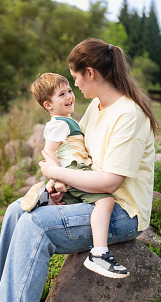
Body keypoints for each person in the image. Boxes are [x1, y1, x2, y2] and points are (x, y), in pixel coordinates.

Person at [0, 38, 157, 302]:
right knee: (18, 210)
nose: (75, 85)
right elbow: (78, 153)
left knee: (36, 225)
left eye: (75, 78)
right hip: (89, 196)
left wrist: (55, 171)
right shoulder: (97, 107)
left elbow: (110, 182)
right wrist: (61, 184)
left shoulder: (128, 115)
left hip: (120, 211)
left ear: (91, 73)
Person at [21, 72, 128, 278]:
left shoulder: (65, 121)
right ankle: (99, 252)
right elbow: (49, 153)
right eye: (61, 94)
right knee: (105, 201)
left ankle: (45, 199)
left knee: (70, 204)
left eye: (69, 90)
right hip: (74, 170)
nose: (69, 96)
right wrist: (58, 177)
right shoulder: (60, 124)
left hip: (72, 170)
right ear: (48, 105)